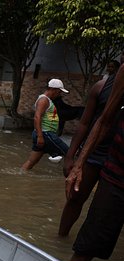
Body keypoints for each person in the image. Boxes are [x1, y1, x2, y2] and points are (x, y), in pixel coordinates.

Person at [66, 64, 124, 261]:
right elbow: (104, 120)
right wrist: (77, 162)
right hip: (116, 170)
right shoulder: (103, 86)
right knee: (85, 248)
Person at [59, 59, 121, 236]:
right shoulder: (101, 87)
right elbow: (84, 123)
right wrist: (71, 156)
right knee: (75, 197)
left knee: (105, 208)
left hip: (118, 158)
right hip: (94, 153)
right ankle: (61, 238)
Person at [21, 79, 71, 171]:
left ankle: (20, 175)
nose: (59, 94)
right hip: (46, 134)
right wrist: (40, 136)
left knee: (31, 161)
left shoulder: (46, 100)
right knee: (69, 154)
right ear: (53, 89)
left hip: (44, 134)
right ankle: (73, 176)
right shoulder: (44, 100)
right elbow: (37, 117)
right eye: (59, 91)